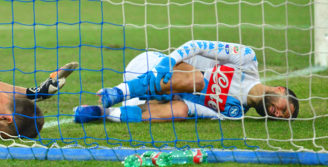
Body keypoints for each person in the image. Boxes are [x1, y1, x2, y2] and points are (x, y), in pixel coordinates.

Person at [74, 40, 299, 124]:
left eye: (282, 117)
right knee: (198, 79)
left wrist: (181, 108)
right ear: (280, 89)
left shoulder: (235, 113)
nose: (278, 114)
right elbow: (197, 45)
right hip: (153, 68)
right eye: (284, 108)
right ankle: (117, 92)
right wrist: (169, 61)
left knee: (182, 110)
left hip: (148, 100)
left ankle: (103, 113)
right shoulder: (247, 60)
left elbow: (193, 109)